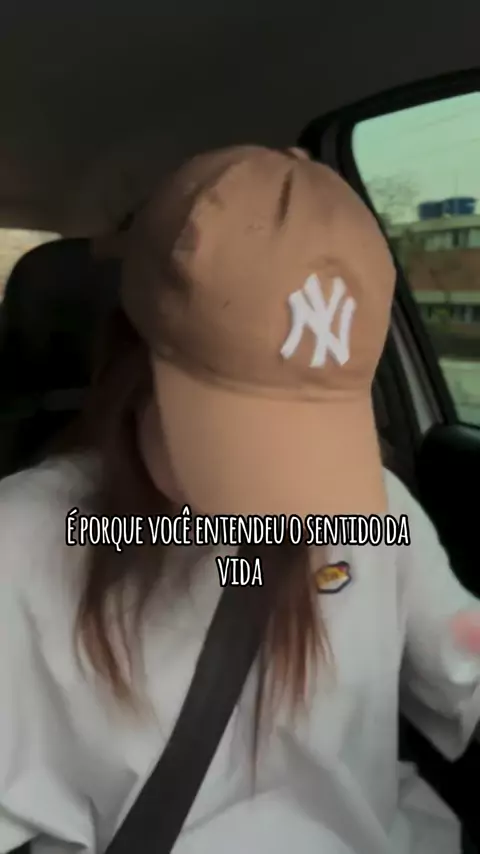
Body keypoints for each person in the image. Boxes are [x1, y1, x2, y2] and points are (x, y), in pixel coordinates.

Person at [0, 145, 479, 854]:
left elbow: (466, 662)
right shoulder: (21, 541)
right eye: (242, 430)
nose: (275, 495)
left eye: (309, 428)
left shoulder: (376, 508)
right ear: (133, 360)